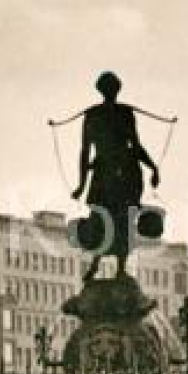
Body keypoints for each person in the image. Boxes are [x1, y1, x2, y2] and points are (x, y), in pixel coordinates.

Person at [70, 71, 160, 281]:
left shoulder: (94, 115)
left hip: (110, 174)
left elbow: (85, 153)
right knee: (118, 221)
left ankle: (105, 266)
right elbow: (135, 147)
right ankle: (112, 266)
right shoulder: (120, 114)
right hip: (122, 174)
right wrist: (153, 167)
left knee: (108, 219)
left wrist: (81, 185)